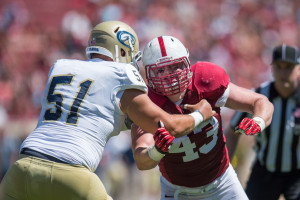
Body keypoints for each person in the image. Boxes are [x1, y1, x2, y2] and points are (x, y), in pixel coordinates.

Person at [0, 21, 215, 200]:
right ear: (122, 48)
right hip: (72, 173)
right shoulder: (120, 74)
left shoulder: (61, 67)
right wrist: (202, 113)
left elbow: (92, 112)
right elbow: (171, 126)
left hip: (20, 171)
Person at [130, 35, 274, 200]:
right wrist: (156, 151)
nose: (170, 76)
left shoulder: (204, 80)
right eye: (161, 70)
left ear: (187, 63)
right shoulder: (147, 102)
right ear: (149, 73)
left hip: (222, 183)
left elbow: (260, 101)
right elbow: (142, 160)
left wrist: (258, 121)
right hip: (178, 192)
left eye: (175, 66)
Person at [227, 44, 300, 200]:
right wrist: (226, 167)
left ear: (298, 69)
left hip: (297, 174)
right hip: (264, 172)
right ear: (272, 69)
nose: (283, 72)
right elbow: (232, 131)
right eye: (279, 66)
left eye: (288, 67)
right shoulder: (258, 97)